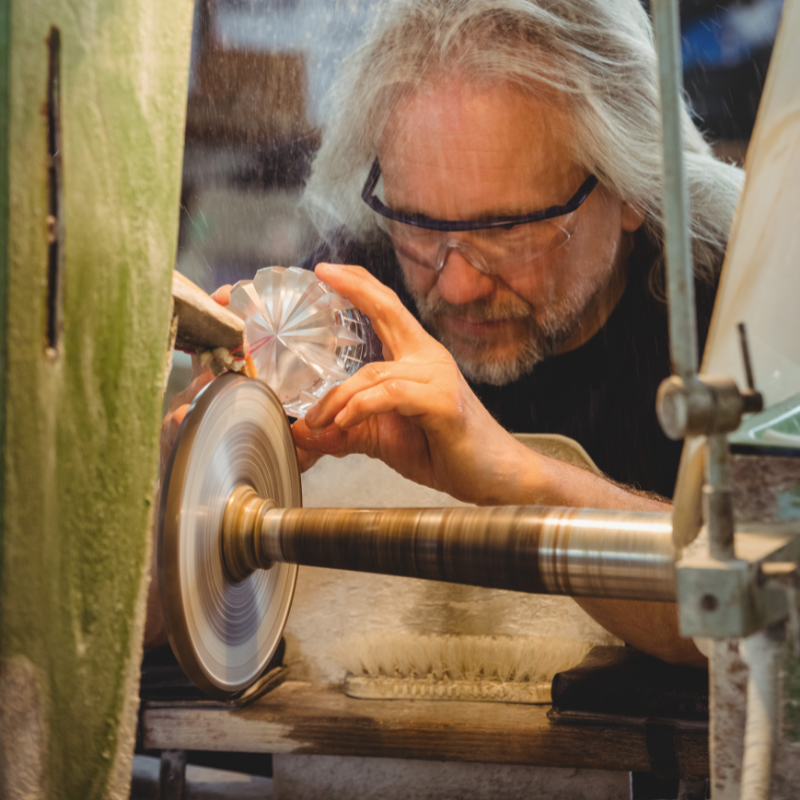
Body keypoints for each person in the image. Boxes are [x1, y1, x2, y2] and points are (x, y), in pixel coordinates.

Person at [155, 0, 744, 666]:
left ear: (633, 186)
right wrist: (188, 481)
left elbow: (764, 622)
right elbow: (140, 631)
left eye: (507, 231)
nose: (457, 284)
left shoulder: (738, 310)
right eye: (419, 225)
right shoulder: (351, 295)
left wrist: (522, 478)